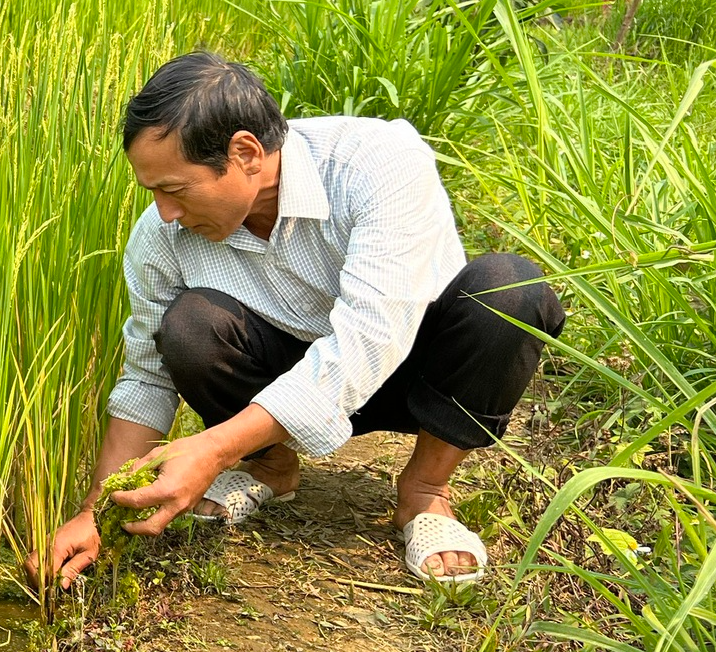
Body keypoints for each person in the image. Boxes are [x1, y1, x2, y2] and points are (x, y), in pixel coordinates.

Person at [33, 51, 565, 590]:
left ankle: (425, 490)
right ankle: (269, 465)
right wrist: (94, 511)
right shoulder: (161, 236)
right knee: (189, 326)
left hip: (415, 369)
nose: (165, 213)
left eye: (174, 189)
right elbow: (147, 376)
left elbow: (370, 340)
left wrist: (214, 449)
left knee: (510, 291)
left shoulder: (379, 163)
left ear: (245, 153)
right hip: (285, 373)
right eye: (152, 193)